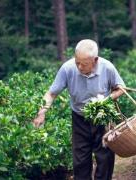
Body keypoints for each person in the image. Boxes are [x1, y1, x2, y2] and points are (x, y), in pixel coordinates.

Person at [33, 39, 125, 180]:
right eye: (77, 62)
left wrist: (105, 101)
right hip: (79, 118)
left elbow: (121, 88)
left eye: (84, 64)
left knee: (105, 158)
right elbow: (51, 93)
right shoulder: (68, 68)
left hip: (103, 117)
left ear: (95, 60)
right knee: (80, 160)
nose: (80, 67)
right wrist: (42, 112)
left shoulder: (107, 67)